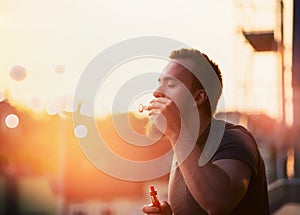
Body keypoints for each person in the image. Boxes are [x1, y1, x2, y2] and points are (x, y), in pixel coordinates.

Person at [142, 48, 270, 215]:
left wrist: (177, 132)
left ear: (198, 98)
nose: (157, 92)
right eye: (160, 82)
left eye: (171, 84)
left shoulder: (234, 139)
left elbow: (219, 203)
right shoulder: (184, 147)